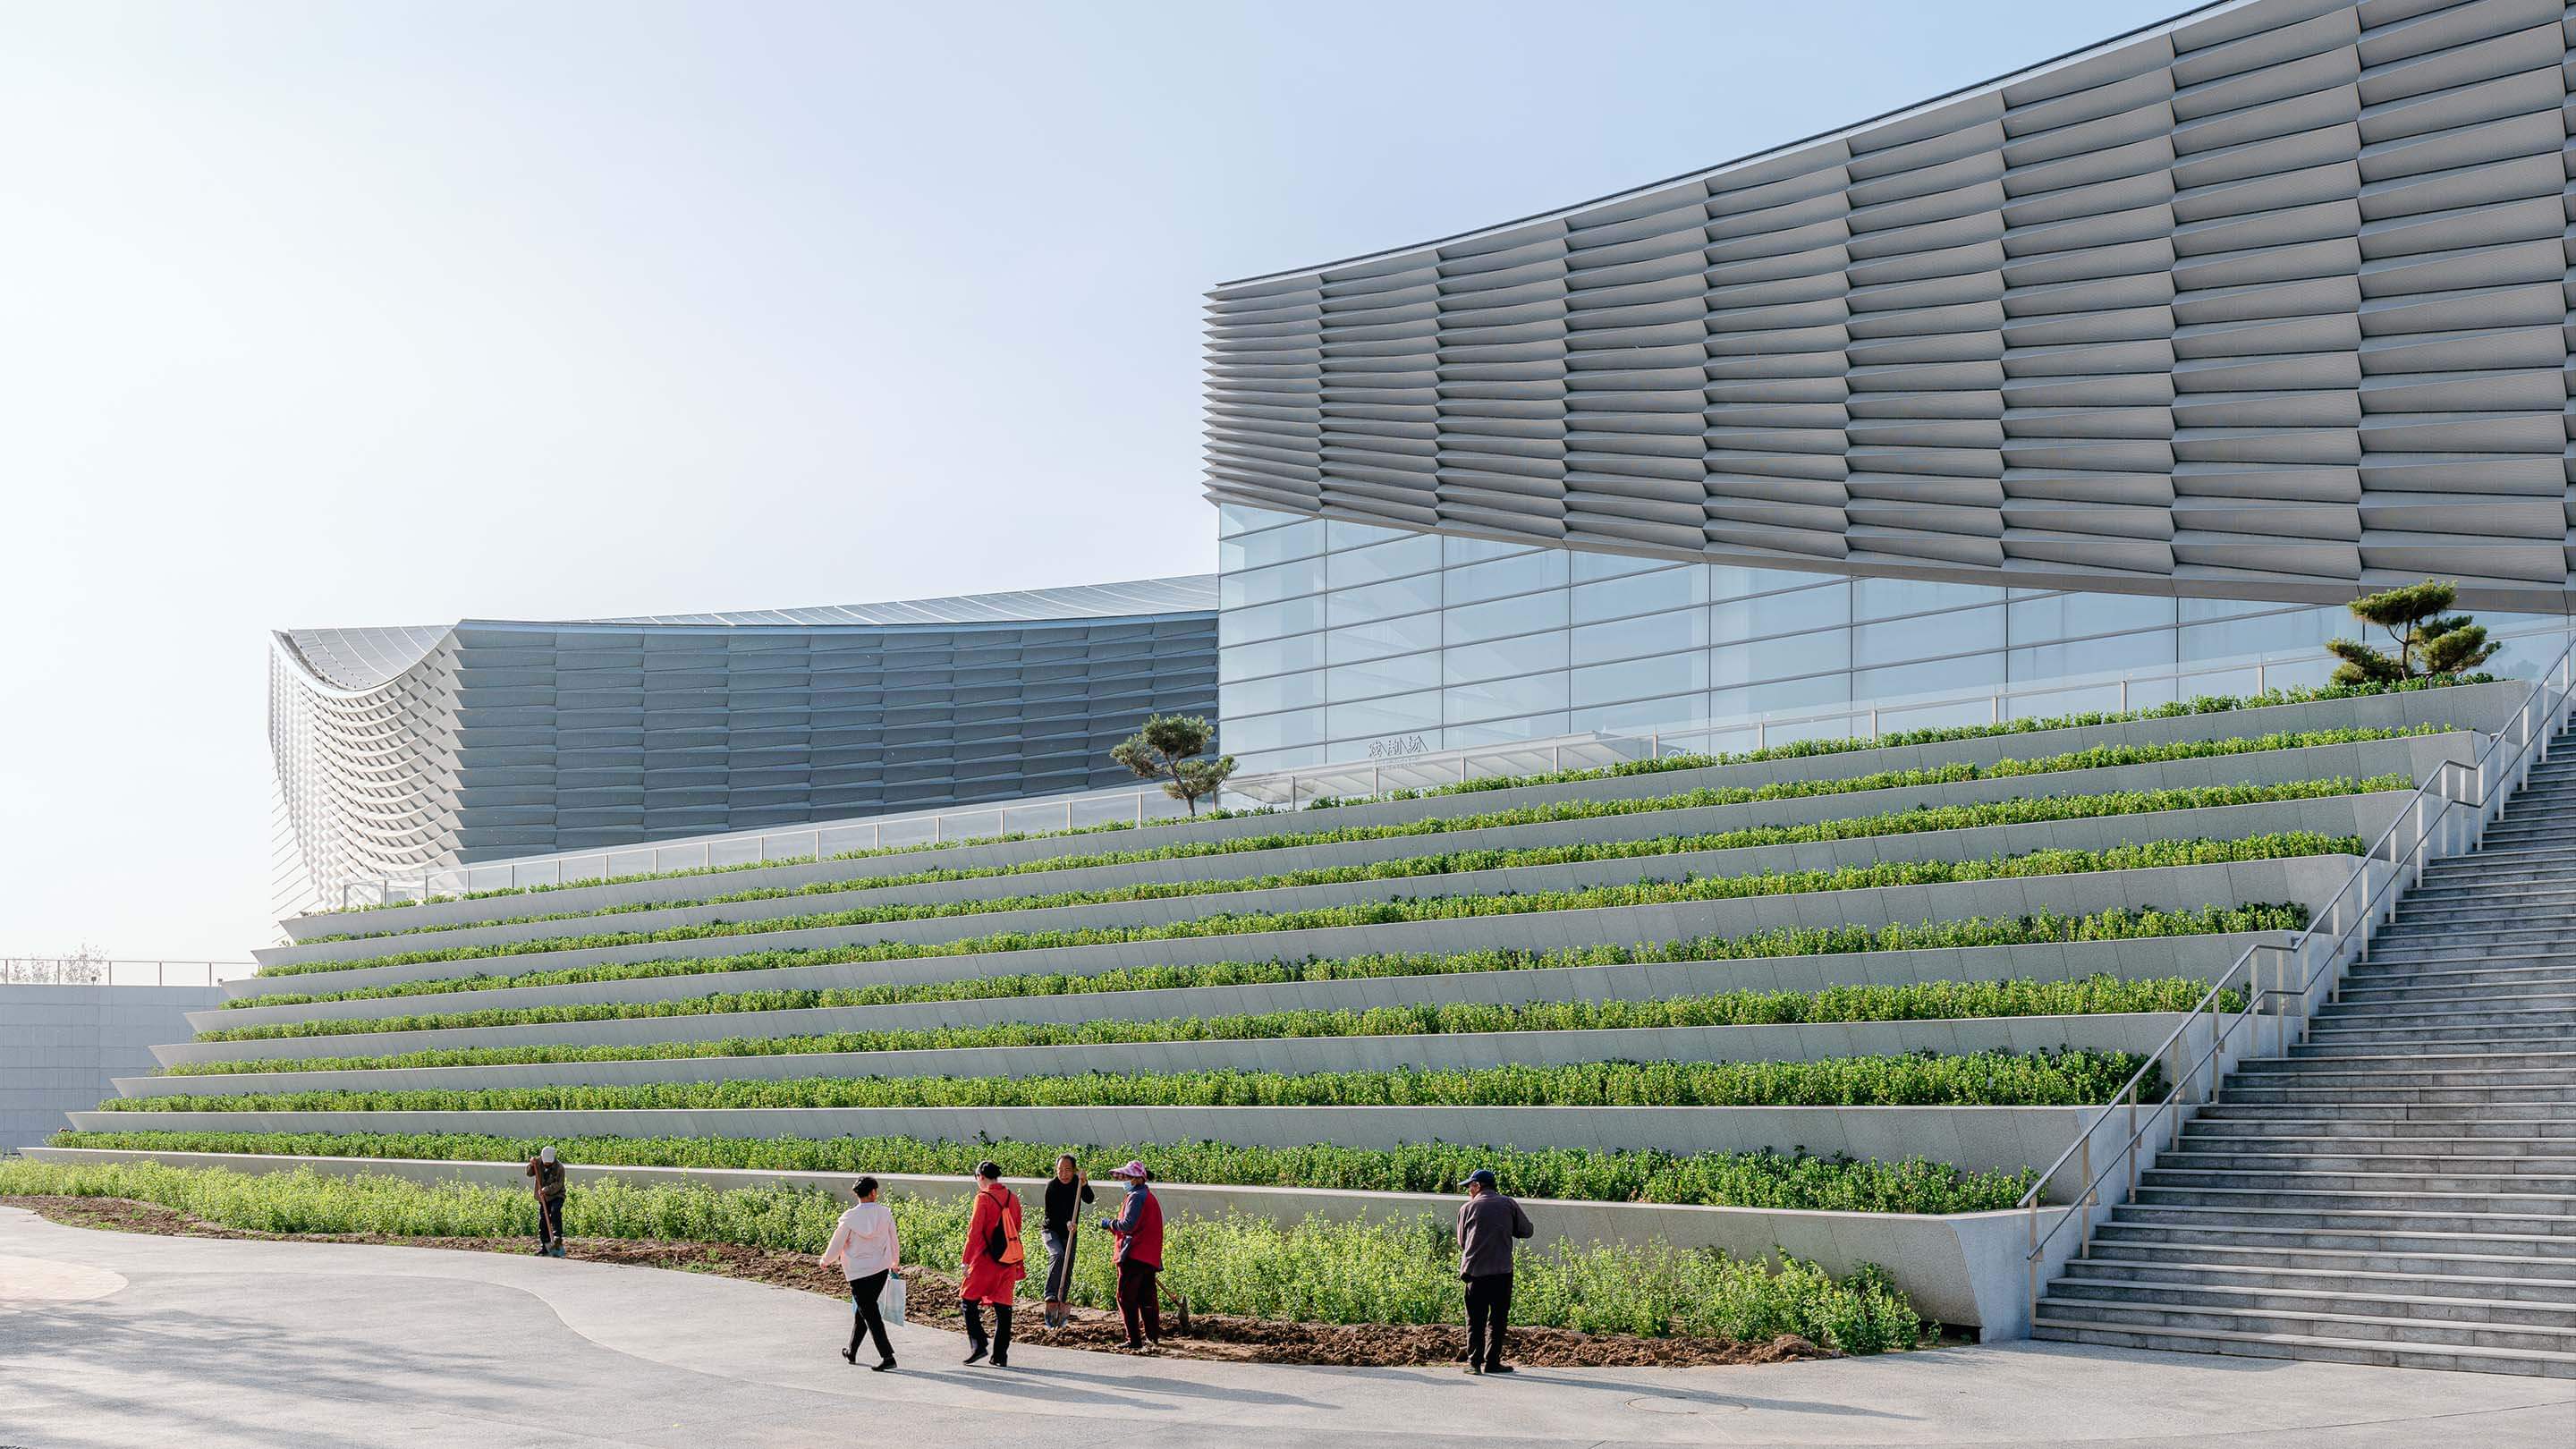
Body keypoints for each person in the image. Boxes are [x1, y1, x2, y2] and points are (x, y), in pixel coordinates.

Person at [1456, 1167, 1534, 1375]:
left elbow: (1462, 1242)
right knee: (1498, 1319)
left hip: (1475, 1273)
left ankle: (1474, 1364)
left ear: (1477, 1186)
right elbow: (1527, 1231)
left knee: (1475, 1319)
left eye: (1469, 1187)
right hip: (1501, 1272)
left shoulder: (1467, 1209)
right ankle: (1492, 1362)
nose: (1468, 1191)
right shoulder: (1508, 1203)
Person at [818, 1176, 900, 1371]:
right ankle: (852, 1350)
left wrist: (826, 1260)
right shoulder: (885, 1213)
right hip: (880, 1268)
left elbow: (837, 1243)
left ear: (857, 1194)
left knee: (869, 1312)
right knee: (864, 1311)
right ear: (873, 1193)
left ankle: (887, 1356)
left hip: (858, 1272)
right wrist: (894, 1262)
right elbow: (893, 1239)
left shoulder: (849, 1218)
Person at [958, 1161, 1025, 1367]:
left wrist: (966, 1260)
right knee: (1003, 1308)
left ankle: (978, 1344)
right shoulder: (1012, 1198)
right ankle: (1000, 1356)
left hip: (986, 1260)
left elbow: (975, 1232)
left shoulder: (983, 1198)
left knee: (967, 1300)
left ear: (980, 1177)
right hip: (1008, 1261)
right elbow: (1018, 1226)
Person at [1097, 1159, 1164, 1352]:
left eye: (1127, 1177)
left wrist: (1109, 1223)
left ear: (1136, 1179)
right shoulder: (1147, 1196)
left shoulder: (1136, 1197)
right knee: (1147, 1298)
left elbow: (1128, 1225)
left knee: (1126, 1297)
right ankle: (1152, 1338)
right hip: (1148, 1256)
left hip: (1134, 1255)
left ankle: (1134, 1339)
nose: (1124, 1180)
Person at [1040, 1154, 1094, 1328]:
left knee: (1068, 1263)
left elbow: (1089, 1199)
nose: (1064, 1174)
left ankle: (1061, 1300)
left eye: (1068, 1170)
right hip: (1052, 1230)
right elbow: (1051, 1215)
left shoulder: (1077, 1183)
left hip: (1070, 1233)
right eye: (1060, 1170)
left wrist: (1084, 1184)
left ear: (1074, 1171)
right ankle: (1050, 1297)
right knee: (1058, 1255)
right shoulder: (1052, 1186)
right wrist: (1066, 1222)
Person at [524, 1146, 566, 1258]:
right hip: (543, 1198)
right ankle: (545, 1247)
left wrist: (546, 1189)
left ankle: (557, 1241)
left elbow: (558, 1185)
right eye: (545, 1163)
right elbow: (529, 1173)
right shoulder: (537, 1162)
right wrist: (531, 1165)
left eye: (549, 1163)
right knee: (543, 1221)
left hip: (557, 1195)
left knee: (555, 1212)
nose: (547, 1165)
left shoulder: (560, 1168)